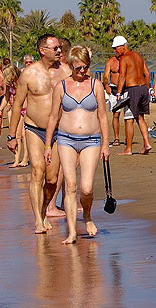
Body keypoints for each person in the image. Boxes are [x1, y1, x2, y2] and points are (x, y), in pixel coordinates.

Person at [44, 46, 110, 244]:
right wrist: (48, 146)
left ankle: (87, 216)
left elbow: (103, 117)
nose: (83, 71)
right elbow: (53, 117)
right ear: (71, 65)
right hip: (66, 139)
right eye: (79, 68)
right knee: (70, 185)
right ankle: (72, 232)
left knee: (87, 188)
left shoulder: (95, 85)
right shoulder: (61, 87)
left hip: (91, 140)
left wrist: (106, 145)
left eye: (86, 67)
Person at [9, 34, 70, 233]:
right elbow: (17, 105)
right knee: (37, 171)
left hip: (59, 131)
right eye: (56, 48)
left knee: (52, 179)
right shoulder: (29, 73)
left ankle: (44, 209)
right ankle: (37, 219)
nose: (60, 51)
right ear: (43, 50)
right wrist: (11, 136)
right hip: (34, 128)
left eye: (60, 48)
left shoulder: (66, 72)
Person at [109, 35, 152, 155]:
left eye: (116, 48)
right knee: (140, 117)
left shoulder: (124, 58)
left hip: (132, 90)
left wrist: (118, 92)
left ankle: (128, 148)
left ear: (123, 47)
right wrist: (147, 89)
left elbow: (122, 76)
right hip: (143, 88)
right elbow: (147, 74)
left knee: (129, 119)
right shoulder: (138, 56)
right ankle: (147, 144)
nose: (114, 51)